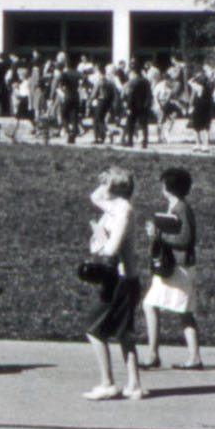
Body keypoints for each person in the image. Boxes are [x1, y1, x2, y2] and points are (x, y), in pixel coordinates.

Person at [82, 166, 146, 401]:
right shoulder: (116, 207)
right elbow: (95, 197)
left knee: (94, 329)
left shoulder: (123, 211)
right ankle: (134, 385)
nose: (102, 188)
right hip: (125, 279)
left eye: (107, 183)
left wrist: (99, 240)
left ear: (115, 189)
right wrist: (107, 181)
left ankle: (107, 382)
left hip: (120, 280)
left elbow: (112, 249)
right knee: (124, 333)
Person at [140, 167, 201, 371]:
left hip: (178, 267)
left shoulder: (181, 208)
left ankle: (155, 355)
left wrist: (158, 235)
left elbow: (185, 239)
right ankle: (191, 356)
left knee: (154, 305)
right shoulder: (176, 206)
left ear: (168, 187)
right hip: (175, 266)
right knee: (182, 310)